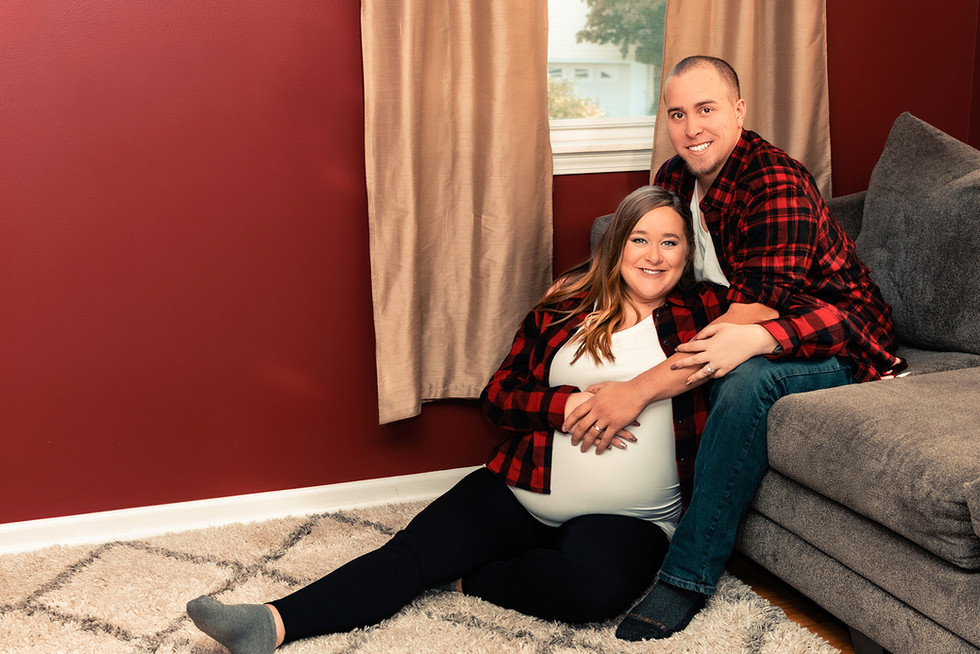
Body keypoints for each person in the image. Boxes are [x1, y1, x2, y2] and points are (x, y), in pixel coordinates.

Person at [185, 186, 771, 653]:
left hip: (630, 516)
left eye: (670, 243)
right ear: (616, 247)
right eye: (640, 239)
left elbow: (792, 314)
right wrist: (564, 406)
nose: (653, 255)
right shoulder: (566, 307)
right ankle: (270, 622)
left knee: (593, 590)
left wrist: (644, 388)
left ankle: (478, 580)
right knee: (410, 556)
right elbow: (498, 398)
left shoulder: (707, 313)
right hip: (519, 489)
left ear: (687, 256)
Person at [557, 56, 903, 642]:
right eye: (677, 113)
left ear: (739, 110)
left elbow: (738, 330)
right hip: (748, 318)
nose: (692, 127)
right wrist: (579, 290)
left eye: (707, 109)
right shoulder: (674, 176)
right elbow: (650, 254)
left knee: (741, 380)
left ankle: (687, 575)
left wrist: (634, 391)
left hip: (832, 335)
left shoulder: (776, 183)